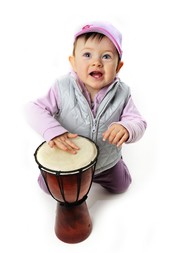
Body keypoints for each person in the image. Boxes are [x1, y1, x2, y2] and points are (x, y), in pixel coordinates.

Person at [26, 21, 147, 194]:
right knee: (46, 187)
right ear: (73, 62)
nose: (97, 62)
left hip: (106, 163)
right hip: (71, 162)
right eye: (87, 55)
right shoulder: (62, 87)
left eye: (106, 56)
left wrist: (126, 127)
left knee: (122, 186)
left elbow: (138, 121)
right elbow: (32, 109)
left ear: (118, 67)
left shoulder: (122, 93)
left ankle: (117, 163)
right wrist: (54, 131)